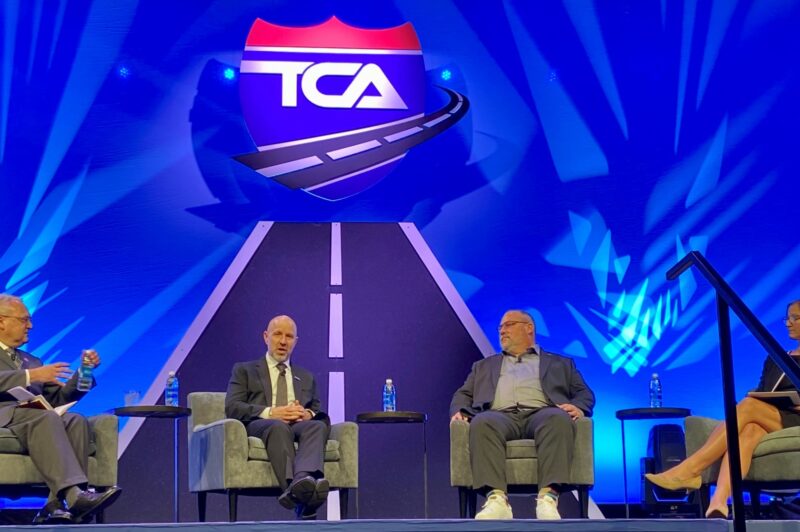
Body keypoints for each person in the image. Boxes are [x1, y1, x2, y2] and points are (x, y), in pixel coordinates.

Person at [647, 299, 800, 518]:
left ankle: (691, 469)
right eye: (787, 318)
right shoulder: (777, 358)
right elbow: (763, 391)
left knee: (748, 407)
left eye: (795, 318)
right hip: (773, 417)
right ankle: (719, 502)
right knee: (748, 431)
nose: (788, 323)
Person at [450, 309, 595, 520]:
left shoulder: (560, 364)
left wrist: (579, 407)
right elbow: (463, 394)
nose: (502, 331)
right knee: (481, 422)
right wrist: (459, 411)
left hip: (542, 413)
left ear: (529, 328)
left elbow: (584, 393)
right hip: (499, 416)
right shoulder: (484, 366)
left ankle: (548, 499)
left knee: (558, 418)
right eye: (500, 327)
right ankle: (497, 500)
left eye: (508, 325)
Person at [0, 294, 121, 524]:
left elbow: (57, 399)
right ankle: (75, 496)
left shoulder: (31, 360)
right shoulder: (32, 369)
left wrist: (84, 372)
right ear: (2, 321)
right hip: (5, 417)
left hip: (34, 417)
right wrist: (30, 376)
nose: (30, 326)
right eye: (24, 320)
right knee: (44, 418)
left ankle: (55, 505)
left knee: (75, 420)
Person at [224, 315, 330, 519]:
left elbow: (318, 411)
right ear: (266, 337)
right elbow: (232, 407)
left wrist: (307, 414)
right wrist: (272, 412)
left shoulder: (306, 376)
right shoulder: (244, 370)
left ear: (295, 342)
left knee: (316, 426)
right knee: (277, 426)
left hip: (296, 425)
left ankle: (300, 483)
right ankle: (300, 495)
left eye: (289, 336)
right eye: (277, 334)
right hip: (260, 425)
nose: (283, 341)